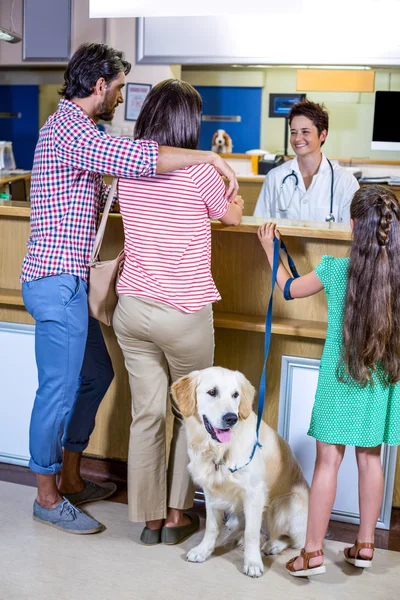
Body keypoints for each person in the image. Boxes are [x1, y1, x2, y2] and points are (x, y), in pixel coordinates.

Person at [20, 43, 238, 535]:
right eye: (118, 88)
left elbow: (128, 171)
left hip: (95, 293)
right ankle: (47, 496)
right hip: (58, 284)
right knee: (57, 392)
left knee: (99, 380)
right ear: (100, 85)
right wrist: (210, 158)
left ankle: (76, 478)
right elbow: (137, 156)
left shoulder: (89, 137)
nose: (121, 98)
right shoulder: (71, 131)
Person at [113, 79, 244, 545]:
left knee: (146, 415)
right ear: (190, 123)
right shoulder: (201, 172)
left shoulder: (129, 167)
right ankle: (175, 516)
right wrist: (236, 198)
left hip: (132, 311)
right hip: (183, 313)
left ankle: (147, 521)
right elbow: (232, 217)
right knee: (194, 415)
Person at [258, 185, 400, 576]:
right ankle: (366, 545)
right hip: (382, 380)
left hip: (340, 381)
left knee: (327, 463)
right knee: (371, 459)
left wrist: (271, 248)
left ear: (353, 226)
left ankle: (313, 552)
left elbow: (288, 289)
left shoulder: (336, 270)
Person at [253, 99, 359, 222]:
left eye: (305, 132)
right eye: (293, 132)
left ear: (322, 135)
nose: (297, 138)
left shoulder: (345, 181)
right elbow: (259, 224)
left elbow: (353, 234)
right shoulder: (275, 177)